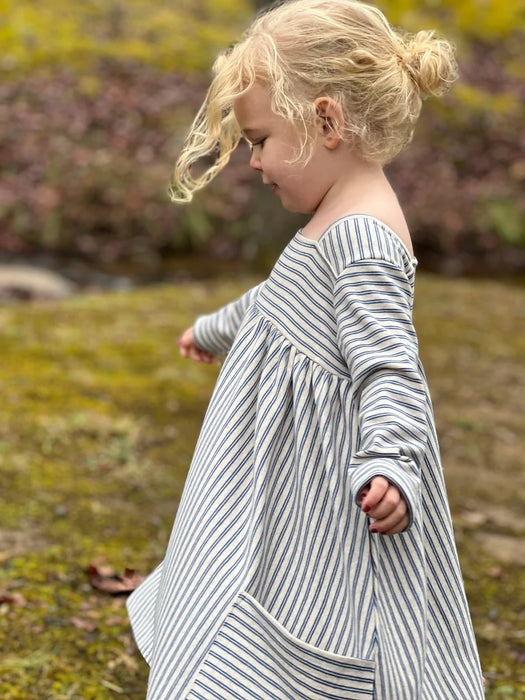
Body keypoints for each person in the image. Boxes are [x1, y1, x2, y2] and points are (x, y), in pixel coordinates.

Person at [127, 1, 485, 697]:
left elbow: (390, 367)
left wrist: (389, 459)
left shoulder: (362, 238)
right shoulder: (337, 213)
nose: (254, 161)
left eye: (259, 139)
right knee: (241, 580)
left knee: (304, 615)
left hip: (319, 487)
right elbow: (278, 300)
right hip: (277, 469)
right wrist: (215, 329)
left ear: (326, 122)